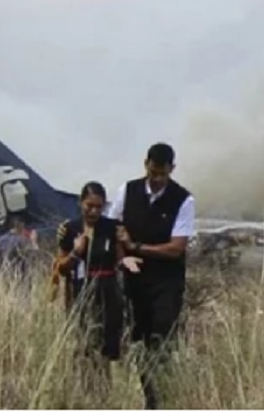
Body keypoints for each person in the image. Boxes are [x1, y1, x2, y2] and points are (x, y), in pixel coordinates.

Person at [107, 142, 195, 409]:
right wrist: (124, 259)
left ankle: (162, 398)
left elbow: (175, 248)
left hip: (166, 283)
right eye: (153, 172)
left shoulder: (183, 199)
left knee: (161, 338)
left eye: (162, 175)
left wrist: (136, 247)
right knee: (139, 341)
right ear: (146, 164)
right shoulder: (128, 190)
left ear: (172, 170)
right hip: (134, 281)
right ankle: (148, 396)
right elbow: (114, 227)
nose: (156, 180)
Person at [54, 182, 141, 384]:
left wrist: (125, 261)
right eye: (89, 206)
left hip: (108, 291)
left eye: (98, 207)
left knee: (107, 346)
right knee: (83, 343)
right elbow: (61, 267)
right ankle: (85, 388)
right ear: (80, 203)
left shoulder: (111, 227)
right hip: (79, 292)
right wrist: (76, 253)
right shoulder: (69, 229)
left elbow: (119, 259)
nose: (93, 211)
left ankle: (106, 388)